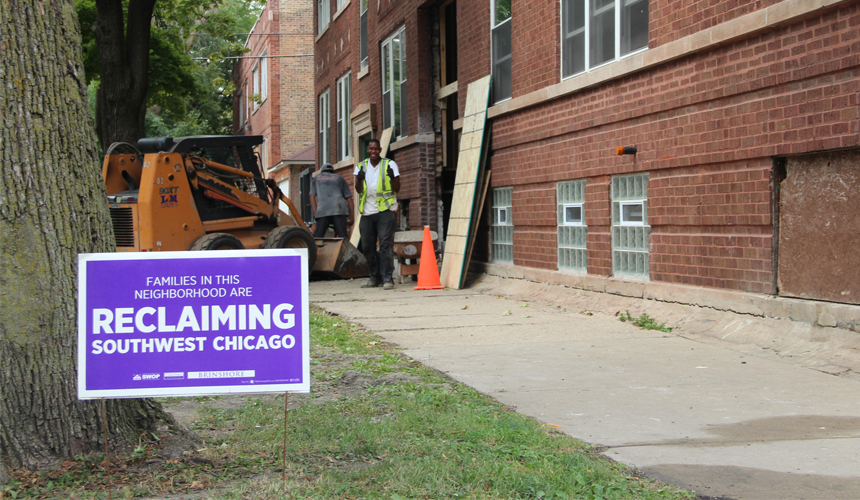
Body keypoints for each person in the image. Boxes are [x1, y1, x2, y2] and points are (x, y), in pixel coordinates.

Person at [354, 139, 401, 289]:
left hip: (386, 210)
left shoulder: (390, 164)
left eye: (376, 149)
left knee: (386, 244)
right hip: (367, 211)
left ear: (380, 150)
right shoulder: (361, 166)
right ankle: (375, 277)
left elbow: (397, 188)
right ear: (367, 150)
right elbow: (359, 190)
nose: (373, 152)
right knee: (367, 245)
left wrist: (392, 176)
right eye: (371, 149)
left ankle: (388, 278)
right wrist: (359, 179)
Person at [309, 163, 354, 238]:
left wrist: (315, 213)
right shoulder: (340, 178)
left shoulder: (317, 178)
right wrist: (351, 217)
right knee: (343, 238)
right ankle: (345, 249)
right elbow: (349, 198)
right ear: (333, 172)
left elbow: (311, 196)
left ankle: (317, 249)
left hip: (323, 210)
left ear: (322, 172)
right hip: (339, 209)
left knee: (318, 238)